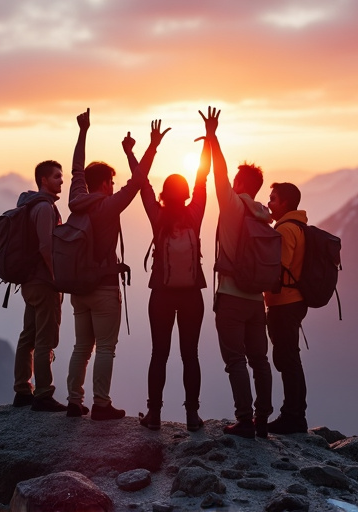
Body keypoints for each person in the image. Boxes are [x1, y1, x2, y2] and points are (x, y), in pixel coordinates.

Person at [65, 109, 169, 419]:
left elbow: (76, 170)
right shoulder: (109, 206)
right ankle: (101, 404)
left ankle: (74, 401)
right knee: (106, 346)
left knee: (81, 346)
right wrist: (149, 148)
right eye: (111, 181)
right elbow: (138, 182)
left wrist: (83, 131)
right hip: (104, 287)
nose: (114, 185)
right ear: (105, 184)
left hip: (77, 286)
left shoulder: (76, 200)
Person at [126, 116, 210, 432]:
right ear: (186, 192)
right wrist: (210, 141)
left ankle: (154, 415)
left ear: (164, 193)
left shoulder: (157, 216)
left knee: (158, 354)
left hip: (161, 292)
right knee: (191, 354)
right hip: (192, 294)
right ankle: (192, 415)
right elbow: (204, 178)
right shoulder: (195, 214)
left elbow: (140, 183)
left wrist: (142, 150)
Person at [202, 106, 273, 439]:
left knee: (236, 360)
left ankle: (244, 420)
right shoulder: (264, 215)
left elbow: (219, 174)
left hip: (231, 295)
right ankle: (262, 420)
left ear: (242, 183)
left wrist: (213, 137)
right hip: (257, 299)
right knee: (260, 359)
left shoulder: (231, 206)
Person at [13, 160, 66, 412]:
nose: (61, 181)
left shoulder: (29, 205)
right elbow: (46, 246)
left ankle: (22, 390)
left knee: (28, 336)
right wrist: (56, 277)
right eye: (57, 176)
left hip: (28, 282)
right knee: (45, 338)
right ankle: (43, 394)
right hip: (44, 282)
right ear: (43, 180)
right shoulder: (44, 208)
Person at [264, 182, 308, 434]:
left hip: (284, 303)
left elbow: (278, 268)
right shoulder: (298, 226)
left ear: (286, 204)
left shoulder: (285, 230)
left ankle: (292, 416)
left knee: (287, 358)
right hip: (295, 301)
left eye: (273, 198)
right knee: (291, 357)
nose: (269, 203)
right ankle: (295, 413)